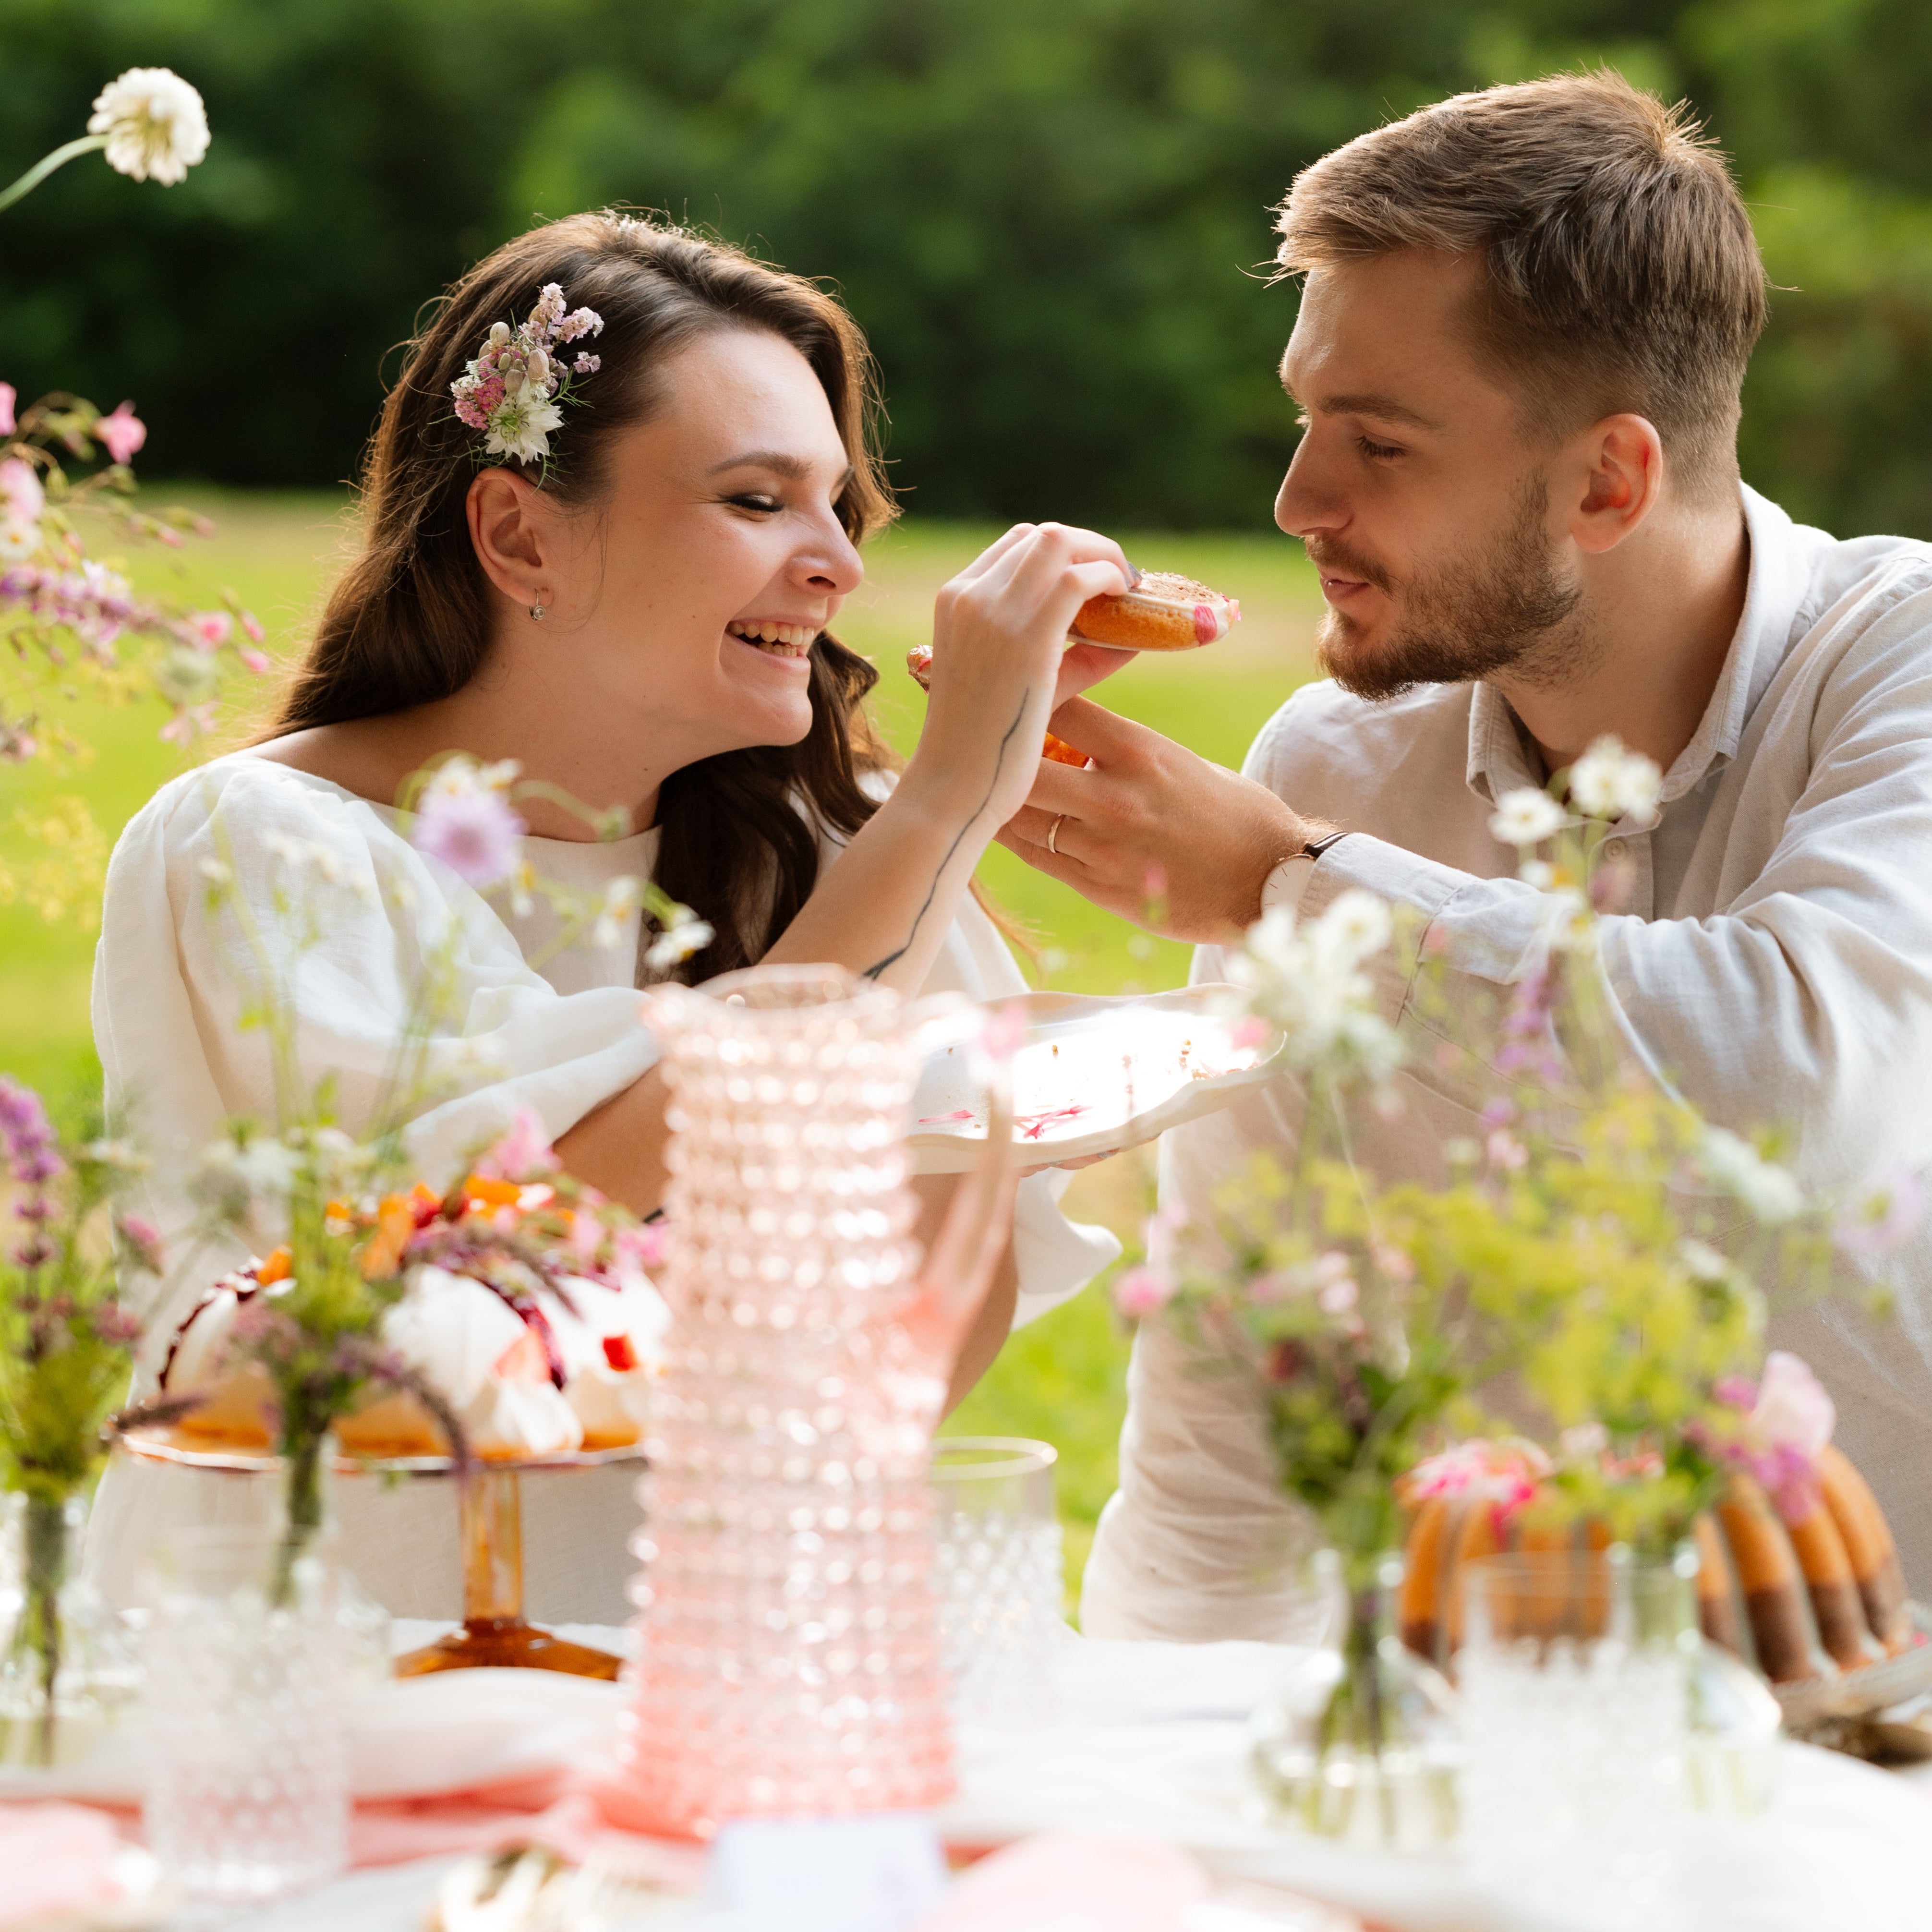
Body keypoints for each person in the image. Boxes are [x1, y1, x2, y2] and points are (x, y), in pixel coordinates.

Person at [90, 212, 1136, 1619]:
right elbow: (514, 1223)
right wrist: (946, 807)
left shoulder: (819, 846)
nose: (837, 565)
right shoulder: (267, 845)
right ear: (521, 534)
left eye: (839, 507)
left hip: (718, 1635)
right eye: (758, 501)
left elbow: (934, 1310)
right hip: (317, 1639)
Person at [995, 73, 1932, 1638]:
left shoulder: (1897, 663)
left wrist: (1283, 890)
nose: (1297, 501)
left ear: (1606, 482)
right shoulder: (1332, 766)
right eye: (1306, 421)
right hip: (1509, 1734)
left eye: (1377, 444)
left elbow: (1796, 1085)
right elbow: (1243, 1391)